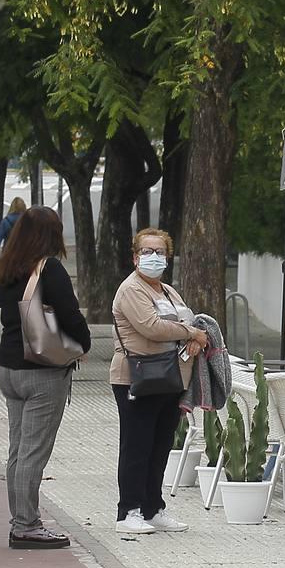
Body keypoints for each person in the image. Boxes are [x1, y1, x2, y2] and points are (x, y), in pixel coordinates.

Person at [0, 206, 91, 549]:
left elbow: (3, 304)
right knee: (34, 452)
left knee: (18, 450)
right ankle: (26, 525)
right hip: (42, 370)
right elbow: (71, 315)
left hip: (9, 368)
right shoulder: (50, 269)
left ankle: (19, 518)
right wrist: (84, 344)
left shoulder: (7, 268)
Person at [109, 228, 209, 535]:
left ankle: (153, 507)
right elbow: (151, 327)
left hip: (169, 377)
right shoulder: (131, 290)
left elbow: (186, 320)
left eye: (160, 252)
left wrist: (191, 338)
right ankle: (128, 511)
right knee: (137, 445)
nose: (154, 258)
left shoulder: (167, 291)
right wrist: (190, 334)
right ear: (135, 256)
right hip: (137, 377)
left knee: (160, 445)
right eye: (147, 251)